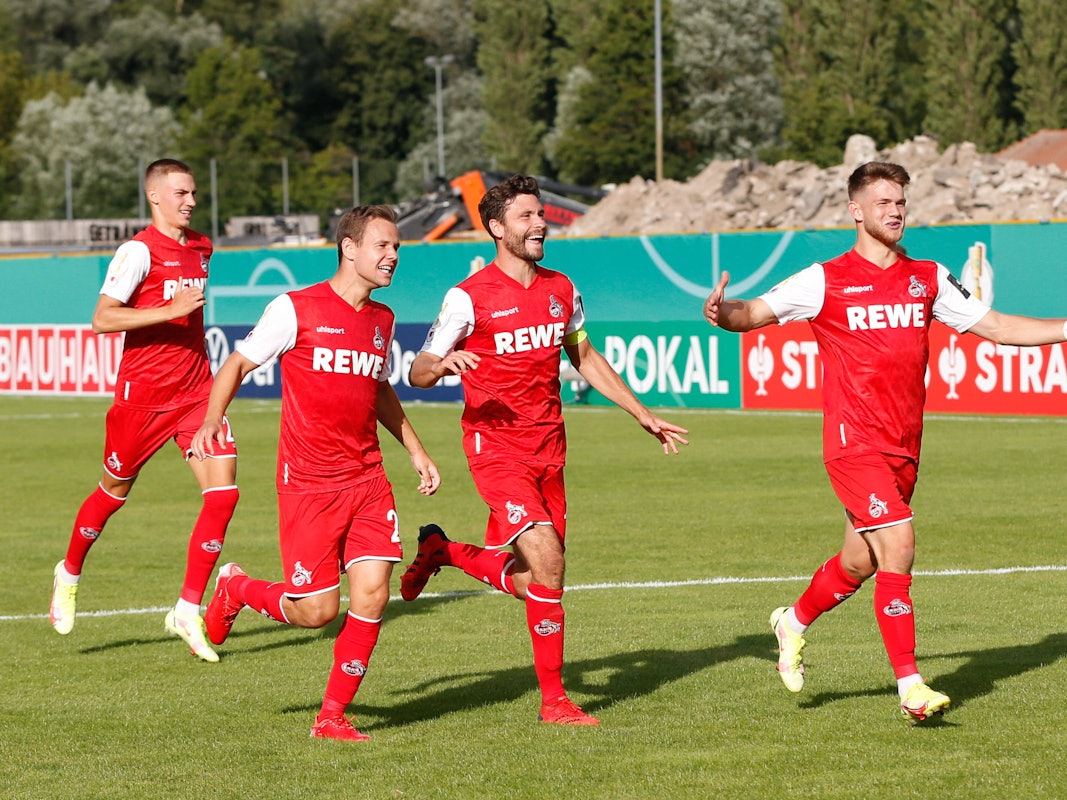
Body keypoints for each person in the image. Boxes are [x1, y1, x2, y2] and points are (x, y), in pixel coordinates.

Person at [703, 161, 1067, 723]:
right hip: (852, 442)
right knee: (899, 544)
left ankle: (791, 622)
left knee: (859, 562)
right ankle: (911, 686)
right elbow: (751, 313)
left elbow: (997, 327)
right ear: (855, 210)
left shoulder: (927, 277)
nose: (895, 211)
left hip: (904, 445)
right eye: (883, 203)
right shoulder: (824, 279)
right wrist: (721, 311)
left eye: (900, 202)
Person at [401, 175, 690, 726]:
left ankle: (444, 551)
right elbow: (418, 370)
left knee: (537, 579)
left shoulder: (562, 289)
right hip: (495, 449)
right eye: (526, 217)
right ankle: (555, 702)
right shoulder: (468, 297)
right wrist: (442, 365)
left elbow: (585, 356)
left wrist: (641, 413)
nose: (539, 225)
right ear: (496, 228)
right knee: (550, 561)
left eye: (540, 215)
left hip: (549, 449)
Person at [191, 205, 440, 742]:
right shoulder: (295, 308)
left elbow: (377, 388)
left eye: (397, 247)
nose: (393, 256)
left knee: (373, 595)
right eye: (382, 245)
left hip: (368, 480)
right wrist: (212, 418)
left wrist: (415, 450)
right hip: (308, 484)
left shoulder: (382, 319)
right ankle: (237, 588)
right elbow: (237, 363)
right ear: (349, 248)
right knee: (317, 612)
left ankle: (331, 717)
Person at [49, 158, 239, 663]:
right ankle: (69, 572)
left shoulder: (202, 247)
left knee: (223, 494)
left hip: (196, 395)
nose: (191, 202)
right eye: (180, 193)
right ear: (155, 196)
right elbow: (102, 319)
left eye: (193, 193)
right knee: (113, 494)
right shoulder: (137, 251)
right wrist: (169, 310)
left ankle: (187, 610)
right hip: (143, 401)